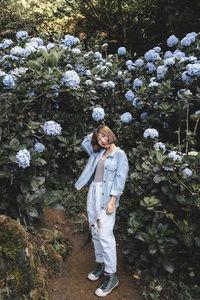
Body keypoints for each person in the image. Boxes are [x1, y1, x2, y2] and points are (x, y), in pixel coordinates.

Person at [75, 125, 129, 297]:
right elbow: (85, 142)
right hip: (93, 194)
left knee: (105, 234)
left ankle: (112, 275)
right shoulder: (97, 153)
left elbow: (120, 178)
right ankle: (101, 264)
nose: (102, 141)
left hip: (107, 197)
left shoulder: (119, 154)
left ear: (110, 134)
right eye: (99, 139)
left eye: (105, 137)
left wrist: (113, 200)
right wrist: (95, 133)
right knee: (95, 231)